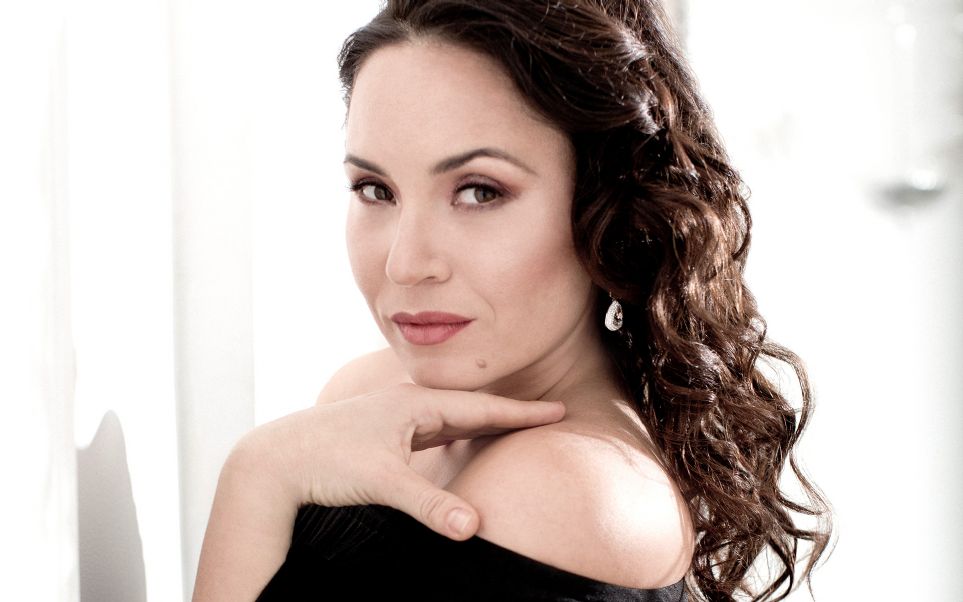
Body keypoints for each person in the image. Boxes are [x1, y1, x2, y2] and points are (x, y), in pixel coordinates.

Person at [193, 1, 832, 600]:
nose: (405, 263)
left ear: (607, 212)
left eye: (479, 191)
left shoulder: (566, 488)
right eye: (375, 189)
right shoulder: (368, 396)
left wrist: (259, 471)